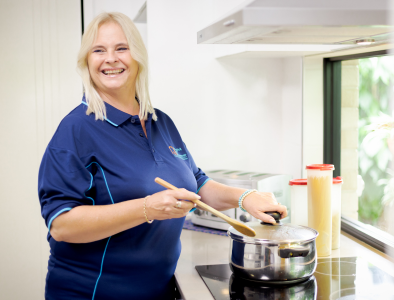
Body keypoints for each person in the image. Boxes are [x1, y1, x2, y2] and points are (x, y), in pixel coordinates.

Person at [38, 12, 287, 300]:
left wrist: (245, 197)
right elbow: (61, 224)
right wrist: (147, 208)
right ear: (87, 62)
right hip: (95, 292)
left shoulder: (159, 121)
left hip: (157, 289)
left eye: (121, 48)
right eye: (98, 50)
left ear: (138, 56)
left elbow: (196, 183)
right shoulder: (76, 129)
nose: (110, 59)